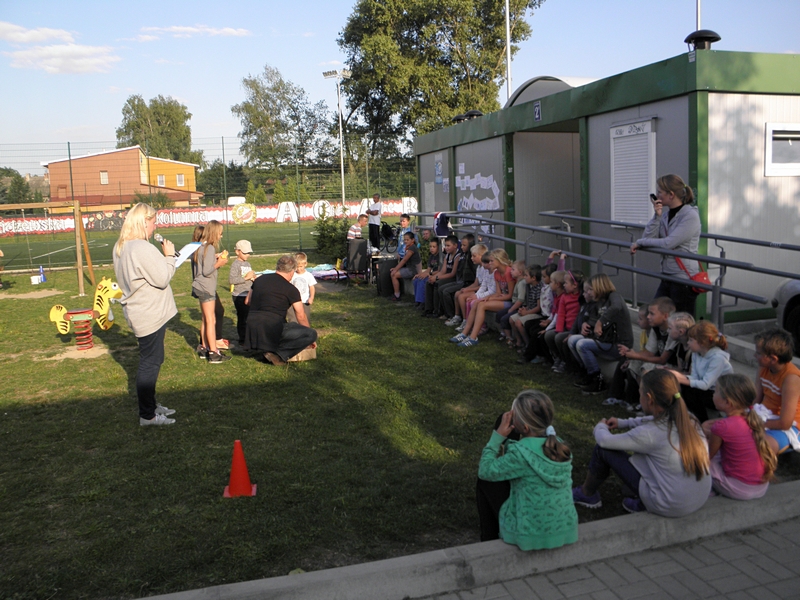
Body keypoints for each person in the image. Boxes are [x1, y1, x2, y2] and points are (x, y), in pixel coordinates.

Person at [572, 369, 711, 516]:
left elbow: (604, 441)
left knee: (603, 451)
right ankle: (642, 498)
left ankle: (587, 494)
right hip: (698, 498)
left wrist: (601, 426)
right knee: (651, 458)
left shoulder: (649, 434)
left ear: (649, 398)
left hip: (669, 505)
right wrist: (624, 423)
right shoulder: (688, 419)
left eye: (640, 393)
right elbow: (655, 419)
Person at [477, 390, 578, 551]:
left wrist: (497, 436)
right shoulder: (560, 447)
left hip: (531, 535)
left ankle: (488, 541)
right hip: (564, 530)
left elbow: (485, 470)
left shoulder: (520, 453)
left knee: (485, 481)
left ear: (524, 427)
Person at [112, 203, 178, 426]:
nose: (154, 227)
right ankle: (147, 415)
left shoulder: (121, 246)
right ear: (143, 222)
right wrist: (170, 257)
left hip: (139, 311)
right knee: (150, 362)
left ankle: (151, 405)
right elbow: (162, 278)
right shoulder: (141, 247)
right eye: (153, 222)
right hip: (149, 313)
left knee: (153, 359)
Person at [630, 174, 702, 315]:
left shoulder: (690, 216)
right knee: (655, 315)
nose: (656, 196)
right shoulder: (665, 215)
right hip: (667, 275)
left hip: (683, 278)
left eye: (660, 192)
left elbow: (668, 243)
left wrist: (639, 242)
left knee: (680, 320)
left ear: (671, 194)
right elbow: (647, 238)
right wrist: (656, 216)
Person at [702, 374, 776, 500]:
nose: (713, 395)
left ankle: (709, 489)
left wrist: (702, 432)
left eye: (716, 391)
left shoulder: (721, 426)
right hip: (761, 487)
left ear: (727, 402)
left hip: (740, 490)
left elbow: (707, 456)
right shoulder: (752, 419)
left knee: (698, 460)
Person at [245, 254, 318, 365]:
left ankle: (265, 349)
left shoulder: (259, 280)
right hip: (272, 327)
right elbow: (301, 315)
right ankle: (279, 355)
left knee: (288, 325)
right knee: (311, 333)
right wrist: (310, 338)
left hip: (252, 327)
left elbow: (247, 301)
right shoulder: (291, 289)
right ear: (292, 271)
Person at [573, 273, 634, 395]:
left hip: (619, 345)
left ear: (600, 287)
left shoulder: (614, 296)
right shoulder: (599, 301)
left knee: (582, 344)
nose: (588, 292)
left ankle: (598, 381)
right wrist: (585, 323)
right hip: (605, 340)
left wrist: (600, 322)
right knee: (573, 340)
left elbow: (616, 307)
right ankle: (588, 373)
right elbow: (592, 318)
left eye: (591, 289)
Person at [665, 321, 733, 422]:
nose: (688, 343)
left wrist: (680, 378)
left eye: (691, 340)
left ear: (702, 343)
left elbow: (705, 384)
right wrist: (675, 376)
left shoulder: (718, 358)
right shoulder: (696, 353)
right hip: (707, 390)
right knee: (681, 387)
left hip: (721, 394)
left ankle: (701, 421)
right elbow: (694, 377)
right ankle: (683, 415)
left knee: (691, 393)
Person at [454, 248, 516, 348]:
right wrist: (488, 297)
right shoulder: (497, 273)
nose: (490, 263)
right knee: (477, 302)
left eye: (492, 261)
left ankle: (473, 337)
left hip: (510, 302)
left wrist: (490, 299)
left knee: (482, 305)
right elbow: (498, 293)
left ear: (499, 260)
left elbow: (509, 296)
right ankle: (465, 333)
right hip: (501, 299)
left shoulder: (508, 272)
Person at [753, 328, 800, 455]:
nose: (754, 356)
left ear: (773, 359)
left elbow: (785, 423)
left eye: (758, 353)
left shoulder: (791, 379)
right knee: (716, 428)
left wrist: (756, 424)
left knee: (758, 445)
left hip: (790, 427)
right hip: (764, 416)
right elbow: (755, 399)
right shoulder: (763, 368)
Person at [192, 220, 230, 364]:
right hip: (206, 287)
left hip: (199, 286)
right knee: (211, 320)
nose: (221, 236)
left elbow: (202, 264)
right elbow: (207, 271)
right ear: (214, 233)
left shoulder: (200, 246)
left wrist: (214, 259)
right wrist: (219, 263)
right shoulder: (210, 248)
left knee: (205, 319)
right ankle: (214, 352)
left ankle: (204, 347)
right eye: (220, 233)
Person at [229, 239, 256, 345]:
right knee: (243, 318)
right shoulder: (235, 265)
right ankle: (243, 339)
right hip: (239, 295)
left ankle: (249, 337)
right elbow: (232, 280)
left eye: (248, 253)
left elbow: (249, 277)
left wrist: (253, 278)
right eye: (245, 253)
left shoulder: (247, 264)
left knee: (250, 317)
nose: (247, 255)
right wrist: (246, 278)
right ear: (237, 252)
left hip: (248, 293)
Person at [389, 231, 422, 301]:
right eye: (404, 240)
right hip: (410, 268)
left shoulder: (412, 248)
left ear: (412, 240)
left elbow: (404, 260)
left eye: (407, 240)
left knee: (393, 275)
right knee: (394, 273)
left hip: (412, 270)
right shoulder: (408, 247)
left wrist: (395, 269)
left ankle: (397, 295)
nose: (405, 241)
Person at [290, 252, 317, 322]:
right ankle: (294, 328)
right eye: (296, 267)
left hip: (305, 301)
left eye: (301, 266)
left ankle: (305, 328)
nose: (298, 269)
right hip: (294, 301)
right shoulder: (292, 274)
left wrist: (311, 297)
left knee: (305, 318)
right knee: (293, 319)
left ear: (305, 264)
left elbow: (312, 287)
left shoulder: (308, 275)